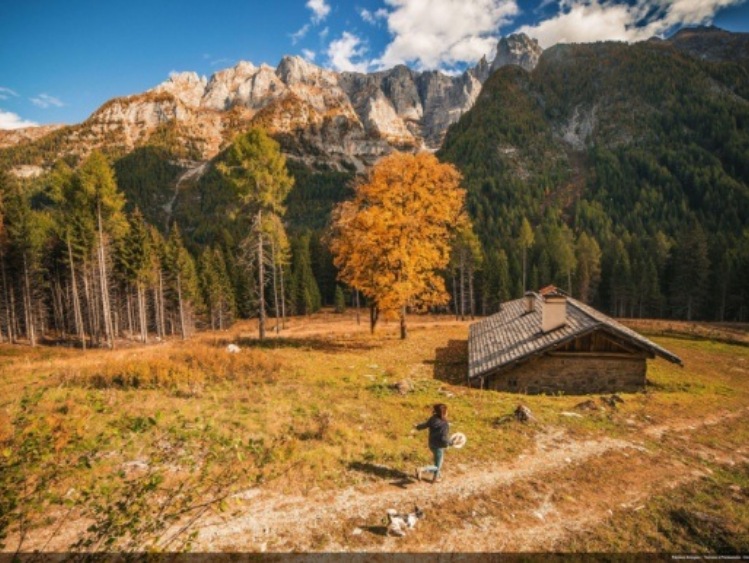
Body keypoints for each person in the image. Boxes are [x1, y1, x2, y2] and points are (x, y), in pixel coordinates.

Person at [414, 403, 449, 483]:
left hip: (431, 444)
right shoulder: (445, 424)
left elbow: (425, 425)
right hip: (439, 446)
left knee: (437, 462)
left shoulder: (433, 419)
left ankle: (435, 478)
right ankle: (422, 469)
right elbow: (444, 438)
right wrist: (449, 443)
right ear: (444, 412)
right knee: (438, 466)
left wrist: (417, 427)